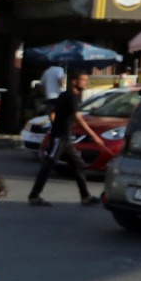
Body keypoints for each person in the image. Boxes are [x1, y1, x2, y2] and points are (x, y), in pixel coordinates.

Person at [27, 70, 101, 207]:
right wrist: (94, 136)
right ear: (74, 81)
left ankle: (85, 196)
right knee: (48, 165)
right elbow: (78, 118)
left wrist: (57, 125)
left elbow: (52, 113)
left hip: (65, 139)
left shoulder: (65, 95)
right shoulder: (71, 96)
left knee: (78, 165)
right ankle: (34, 196)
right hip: (60, 139)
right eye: (83, 80)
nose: (86, 83)